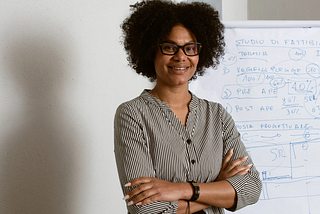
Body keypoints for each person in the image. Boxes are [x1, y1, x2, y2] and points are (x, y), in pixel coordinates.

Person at [114, 1, 262, 213]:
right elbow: (145, 210)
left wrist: (181, 189)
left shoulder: (217, 116)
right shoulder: (132, 114)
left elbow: (251, 188)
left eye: (190, 48)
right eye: (169, 47)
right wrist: (216, 189)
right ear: (150, 51)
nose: (181, 56)